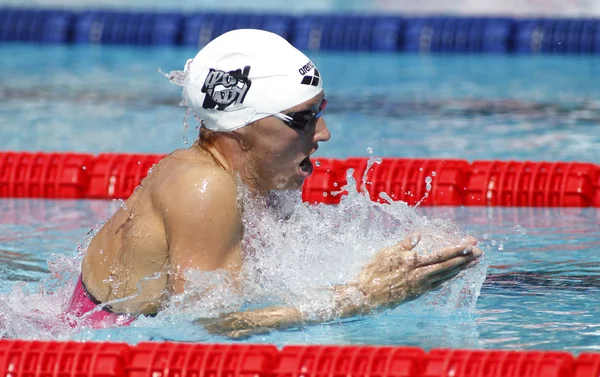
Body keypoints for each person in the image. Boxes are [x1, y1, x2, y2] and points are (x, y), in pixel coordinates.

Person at [65, 29, 482, 336]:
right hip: (99, 348)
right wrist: (364, 296)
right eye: (302, 119)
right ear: (240, 128)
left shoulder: (253, 183)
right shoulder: (203, 188)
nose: (323, 133)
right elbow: (201, 328)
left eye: (320, 110)